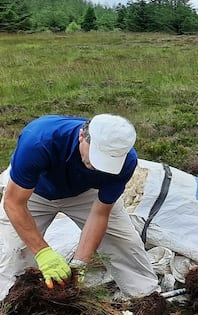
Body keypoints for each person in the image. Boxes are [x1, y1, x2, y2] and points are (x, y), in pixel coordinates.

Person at [0, 114, 161, 301]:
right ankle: (10, 308)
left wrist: (80, 262)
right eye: (95, 157)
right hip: (32, 192)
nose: (96, 166)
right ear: (82, 136)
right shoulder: (39, 141)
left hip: (87, 193)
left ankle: (148, 301)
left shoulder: (126, 162)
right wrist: (43, 252)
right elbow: (13, 203)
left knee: (123, 242)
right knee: (13, 253)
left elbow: (100, 214)